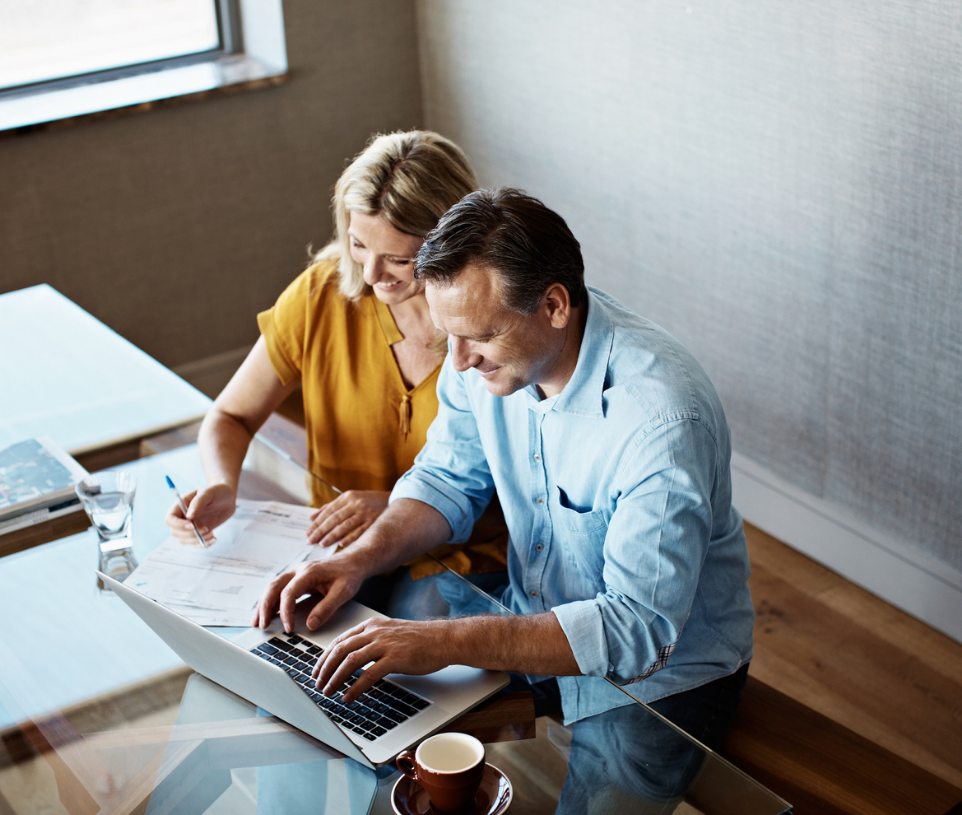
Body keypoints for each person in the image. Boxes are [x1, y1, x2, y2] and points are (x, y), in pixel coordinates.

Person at [252, 188, 754, 812]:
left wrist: (440, 643)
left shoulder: (662, 420)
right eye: (448, 336)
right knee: (361, 740)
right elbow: (445, 479)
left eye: (479, 337)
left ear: (554, 305)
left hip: (662, 679)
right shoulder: (480, 360)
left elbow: (637, 631)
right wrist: (357, 559)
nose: (457, 363)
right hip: (529, 610)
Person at [165, 131, 508, 619]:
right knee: (282, 634)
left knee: (407, 645)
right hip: (333, 545)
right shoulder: (320, 295)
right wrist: (222, 483)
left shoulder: (492, 320)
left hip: (456, 554)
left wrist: (395, 505)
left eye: (398, 259)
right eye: (358, 246)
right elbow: (232, 415)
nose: (371, 274)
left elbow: (528, 485)